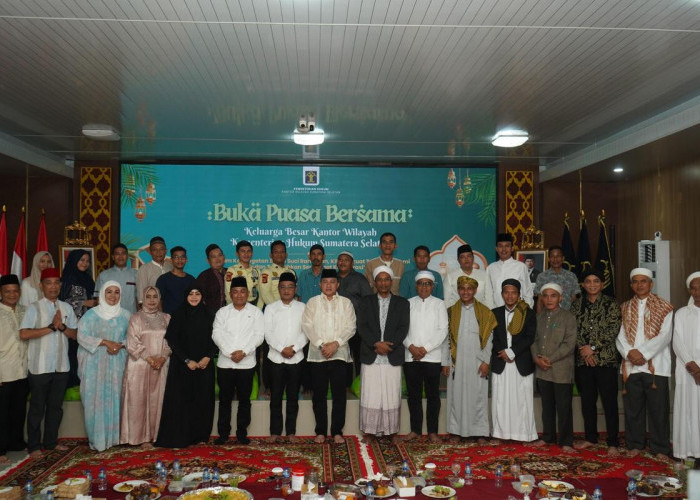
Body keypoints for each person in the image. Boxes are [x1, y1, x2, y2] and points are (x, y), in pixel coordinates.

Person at [20, 268, 78, 458]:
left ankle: (51, 443)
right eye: (49, 282)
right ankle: (34, 446)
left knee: (55, 407)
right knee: (37, 408)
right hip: (39, 367)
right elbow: (24, 334)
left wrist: (62, 327)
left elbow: (75, 334)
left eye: (56, 282)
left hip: (61, 366)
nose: (53, 286)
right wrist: (51, 327)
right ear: (41, 286)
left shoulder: (67, 307)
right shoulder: (33, 308)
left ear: (61, 285)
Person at [616, 268, 673, 459]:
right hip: (631, 366)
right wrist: (629, 353)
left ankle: (660, 448)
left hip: (656, 366)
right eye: (635, 281)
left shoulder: (665, 307)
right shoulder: (624, 307)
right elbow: (620, 335)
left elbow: (665, 336)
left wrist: (643, 353)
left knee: (658, 410)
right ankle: (635, 444)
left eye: (644, 281)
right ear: (631, 285)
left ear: (651, 284)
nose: (639, 285)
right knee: (633, 409)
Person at [155, 286, 216, 448]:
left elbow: (216, 338)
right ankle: (183, 436)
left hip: (204, 365)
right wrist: (187, 360)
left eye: (198, 293)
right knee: (182, 401)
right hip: (183, 366)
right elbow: (172, 340)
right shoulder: (178, 314)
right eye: (190, 293)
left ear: (202, 296)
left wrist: (207, 357)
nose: (194, 297)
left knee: (203, 400)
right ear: (185, 296)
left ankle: (201, 436)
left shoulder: (209, 314)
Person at [302, 269, 356, 444]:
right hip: (318, 355)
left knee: (339, 395)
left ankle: (337, 431)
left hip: (339, 354)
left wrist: (335, 344)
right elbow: (307, 326)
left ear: (337, 284)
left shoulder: (346, 303)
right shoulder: (312, 302)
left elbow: (351, 327)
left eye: (332, 282)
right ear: (320, 284)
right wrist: (321, 344)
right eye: (325, 282)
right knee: (319, 395)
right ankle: (320, 431)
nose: (329, 285)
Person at [357, 266, 410, 444]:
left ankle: (391, 431)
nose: (383, 283)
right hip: (371, 353)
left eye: (387, 279)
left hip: (391, 355)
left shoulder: (402, 303)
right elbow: (361, 326)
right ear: (374, 282)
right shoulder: (366, 302)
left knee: (391, 393)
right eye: (379, 279)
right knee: (370, 393)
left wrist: (389, 346)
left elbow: (403, 328)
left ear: (392, 281)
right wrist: (375, 344)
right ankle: (370, 431)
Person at [571, 269, 622, 455]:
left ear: (602, 284)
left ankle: (613, 442)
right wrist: (584, 351)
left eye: (596, 281)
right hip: (583, 362)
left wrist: (592, 348)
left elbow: (613, 328)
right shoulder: (576, 306)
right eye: (588, 281)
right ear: (583, 285)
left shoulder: (611, 304)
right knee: (587, 402)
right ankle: (591, 438)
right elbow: (572, 330)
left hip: (606, 361)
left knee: (609, 403)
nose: (592, 284)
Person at [76, 281, 130, 451]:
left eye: (116, 292)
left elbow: (134, 337)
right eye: (109, 292)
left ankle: (117, 438)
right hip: (95, 365)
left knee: (117, 397)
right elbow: (81, 336)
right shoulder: (91, 315)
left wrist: (120, 345)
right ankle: (98, 440)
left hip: (117, 362)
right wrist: (105, 342)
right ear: (102, 294)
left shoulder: (126, 315)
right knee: (96, 401)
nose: (113, 296)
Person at [212, 276, 264, 445]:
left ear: (248, 293)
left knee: (244, 401)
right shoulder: (222, 312)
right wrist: (229, 353)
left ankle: (242, 434)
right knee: (225, 400)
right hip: (225, 364)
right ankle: (223, 434)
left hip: (247, 363)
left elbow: (259, 336)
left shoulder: (256, 312)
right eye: (235, 292)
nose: (239, 295)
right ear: (230, 293)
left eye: (243, 291)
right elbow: (216, 335)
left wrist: (244, 352)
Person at [444, 276, 497, 442]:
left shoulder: (485, 312)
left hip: (477, 361)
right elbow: (446, 339)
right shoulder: (451, 311)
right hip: (456, 362)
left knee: (478, 397)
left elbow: (489, 339)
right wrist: (446, 362)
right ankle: (456, 431)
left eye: (469, 289)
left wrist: (486, 361)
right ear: (458, 290)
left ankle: (479, 432)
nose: (465, 292)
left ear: (475, 290)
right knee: (456, 397)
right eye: (462, 288)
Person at [120, 286, 171, 447]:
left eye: (155, 296)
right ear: (143, 298)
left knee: (159, 400)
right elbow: (132, 342)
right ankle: (140, 438)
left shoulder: (166, 318)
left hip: (161, 365)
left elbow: (171, 341)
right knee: (139, 402)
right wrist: (149, 359)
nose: (151, 300)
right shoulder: (136, 318)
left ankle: (158, 436)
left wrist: (162, 357)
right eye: (148, 296)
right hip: (140, 365)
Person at [490, 279, 538, 444]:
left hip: (521, 361)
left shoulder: (528, 313)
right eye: (506, 292)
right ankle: (499, 434)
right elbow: (492, 338)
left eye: (514, 292)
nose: (510, 296)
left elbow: (530, 337)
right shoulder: (494, 313)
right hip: (500, 361)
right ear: (502, 294)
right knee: (500, 400)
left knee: (522, 400)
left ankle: (525, 435)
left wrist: (512, 352)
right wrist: (502, 352)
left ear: (519, 294)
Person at [532, 283, 577, 452]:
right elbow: (534, 340)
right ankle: (548, 437)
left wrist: (549, 359)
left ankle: (566, 441)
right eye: (546, 296)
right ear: (542, 298)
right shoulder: (539, 317)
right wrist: (537, 358)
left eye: (553, 296)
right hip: (543, 370)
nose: (549, 299)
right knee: (547, 407)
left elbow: (569, 345)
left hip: (561, 370)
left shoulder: (568, 317)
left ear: (560, 298)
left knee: (564, 407)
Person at [403, 271, 448, 443]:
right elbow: (402, 329)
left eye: (427, 283)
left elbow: (443, 330)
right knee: (413, 395)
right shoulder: (408, 304)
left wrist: (425, 349)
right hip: (411, 356)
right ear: (416, 286)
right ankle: (415, 430)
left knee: (432, 396)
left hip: (432, 357)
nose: (424, 286)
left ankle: (432, 432)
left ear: (432, 286)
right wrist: (412, 347)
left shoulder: (439, 304)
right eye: (421, 283)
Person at [263, 273, 307, 442]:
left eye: (290, 287)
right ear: (278, 289)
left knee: (293, 397)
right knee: (275, 397)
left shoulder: (302, 307)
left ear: (295, 289)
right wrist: (282, 349)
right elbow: (268, 333)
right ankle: (274, 432)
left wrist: (294, 348)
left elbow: (306, 333)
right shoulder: (271, 308)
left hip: (296, 358)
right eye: (283, 287)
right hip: (275, 358)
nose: (287, 290)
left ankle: (291, 432)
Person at [672, 272, 700, 460]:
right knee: (687, 410)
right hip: (686, 369)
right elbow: (677, 342)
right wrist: (693, 367)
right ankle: (686, 452)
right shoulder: (682, 313)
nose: (697, 292)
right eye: (694, 288)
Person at [0, 275, 27, 465]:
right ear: (1, 293)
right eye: (7, 291)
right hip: (4, 370)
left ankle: (16, 443)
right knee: (1, 412)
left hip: (22, 369)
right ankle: (0, 449)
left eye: (15, 291)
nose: (12, 294)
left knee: (18, 410)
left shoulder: (24, 311)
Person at [60, 249, 96, 387]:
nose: (85, 263)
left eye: (87, 261)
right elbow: (62, 301)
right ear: (74, 261)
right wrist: (84, 303)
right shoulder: (67, 278)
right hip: (72, 324)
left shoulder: (87, 278)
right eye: (82, 260)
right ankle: (71, 382)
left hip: (87, 323)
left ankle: (82, 382)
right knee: (72, 353)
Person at [336, 251, 372, 385]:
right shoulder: (333, 278)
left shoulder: (360, 279)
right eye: (340, 259)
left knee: (358, 355)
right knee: (341, 356)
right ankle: (344, 385)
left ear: (352, 263)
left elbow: (368, 301)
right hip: (337, 326)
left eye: (346, 260)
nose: (342, 262)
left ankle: (360, 384)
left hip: (357, 325)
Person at [486, 233, 533, 307]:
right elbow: (488, 294)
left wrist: (527, 313)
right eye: (500, 246)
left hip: (517, 312)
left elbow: (527, 293)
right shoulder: (491, 268)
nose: (504, 249)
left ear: (512, 248)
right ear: (496, 249)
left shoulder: (521, 267)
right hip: (496, 312)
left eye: (507, 246)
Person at [94, 243, 138, 314]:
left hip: (131, 316)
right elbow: (99, 299)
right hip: (110, 317)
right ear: (113, 257)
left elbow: (138, 299)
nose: (120, 256)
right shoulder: (103, 275)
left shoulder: (136, 274)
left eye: (123, 253)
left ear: (127, 256)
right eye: (117, 254)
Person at [444, 244, 492, 308]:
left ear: (473, 258)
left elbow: (489, 299)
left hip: (480, 314)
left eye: (469, 256)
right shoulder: (450, 276)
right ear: (458, 260)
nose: (466, 259)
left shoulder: (484, 275)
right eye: (462, 257)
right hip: (457, 313)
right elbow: (447, 301)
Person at [534, 246, 580, 311]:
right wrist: (539, 318)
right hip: (547, 317)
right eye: (552, 256)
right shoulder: (542, 276)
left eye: (558, 256)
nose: (555, 259)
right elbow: (540, 300)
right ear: (549, 259)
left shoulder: (571, 276)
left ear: (563, 258)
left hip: (567, 316)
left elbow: (574, 299)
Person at [155, 246, 195, 314]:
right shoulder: (163, 279)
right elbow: (158, 301)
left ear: (186, 260)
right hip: (169, 320)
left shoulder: (191, 279)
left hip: (188, 320)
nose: (180, 260)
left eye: (182, 257)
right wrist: (163, 319)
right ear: (171, 260)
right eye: (176, 257)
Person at [136, 236, 172, 307]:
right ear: (150, 251)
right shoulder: (144, 269)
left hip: (171, 309)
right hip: (152, 310)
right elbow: (141, 298)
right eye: (155, 250)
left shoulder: (171, 267)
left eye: (161, 249)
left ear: (166, 250)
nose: (158, 252)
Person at [225, 240, 261, 307]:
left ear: (252, 253)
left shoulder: (256, 271)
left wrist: (258, 308)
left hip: (253, 305)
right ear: (237, 254)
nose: (246, 254)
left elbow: (261, 293)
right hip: (236, 306)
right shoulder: (232, 271)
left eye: (248, 251)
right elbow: (228, 294)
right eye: (243, 251)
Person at [259, 240, 296, 307]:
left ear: (286, 254)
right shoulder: (266, 272)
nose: (279, 254)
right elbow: (265, 294)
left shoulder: (291, 272)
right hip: (271, 309)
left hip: (289, 309)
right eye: (276, 252)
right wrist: (278, 308)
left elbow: (294, 293)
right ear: (271, 255)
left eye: (282, 251)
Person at [196, 243, 228, 316]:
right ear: (208, 260)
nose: (218, 259)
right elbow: (199, 299)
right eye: (213, 257)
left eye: (220, 255)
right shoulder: (203, 276)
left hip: (231, 316)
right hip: (210, 316)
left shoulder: (231, 272)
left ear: (224, 257)